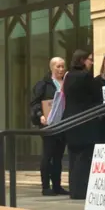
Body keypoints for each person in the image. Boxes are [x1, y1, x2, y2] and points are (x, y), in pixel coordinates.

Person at [63, 49, 104, 199]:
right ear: (82, 60)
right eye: (89, 59)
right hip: (85, 120)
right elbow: (96, 96)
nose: (91, 62)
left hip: (70, 119)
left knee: (73, 156)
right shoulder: (85, 76)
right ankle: (81, 190)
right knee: (85, 156)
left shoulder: (68, 76)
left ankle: (74, 189)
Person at [30, 57, 69, 196]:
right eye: (58, 66)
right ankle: (46, 186)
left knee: (58, 156)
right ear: (52, 67)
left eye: (63, 66)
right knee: (48, 155)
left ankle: (57, 186)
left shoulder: (66, 83)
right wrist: (40, 115)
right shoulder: (43, 84)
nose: (61, 69)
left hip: (63, 123)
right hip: (48, 124)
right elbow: (34, 103)